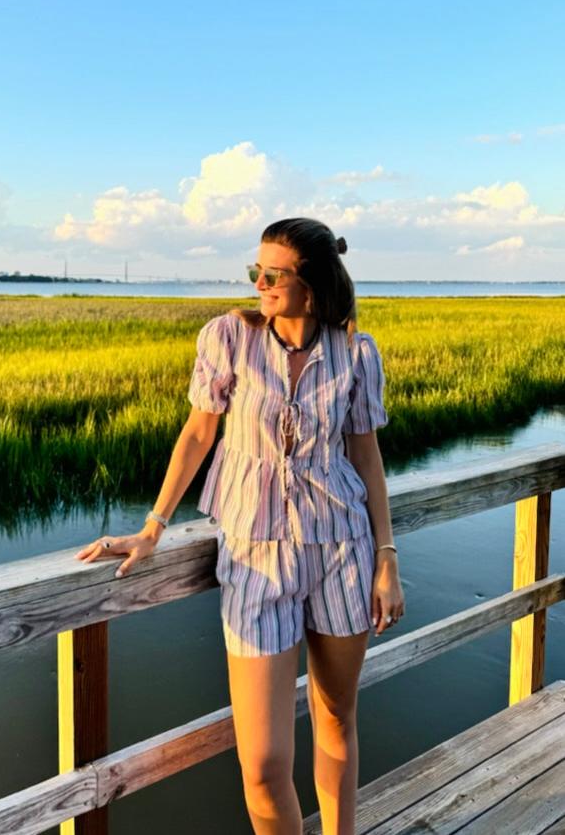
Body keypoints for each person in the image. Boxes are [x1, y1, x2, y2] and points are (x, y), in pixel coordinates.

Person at [75, 217, 405, 835]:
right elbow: (200, 432)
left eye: (272, 273)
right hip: (254, 559)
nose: (258, 282)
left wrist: (386, 555)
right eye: (254, 270)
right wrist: (153, 525)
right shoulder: (228, 336)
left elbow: (366, 456)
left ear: (313, 282)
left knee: (336, 717)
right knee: (262, 762)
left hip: (343, 550)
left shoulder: (356, 351)